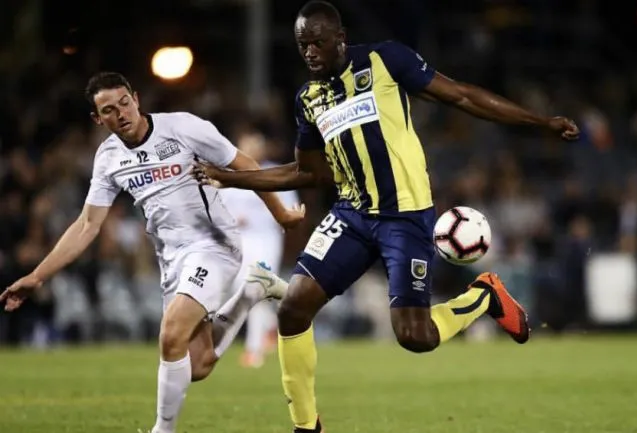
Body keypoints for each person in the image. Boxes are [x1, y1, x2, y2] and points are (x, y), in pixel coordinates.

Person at [195, 2, 579, 432]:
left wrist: (539, 122)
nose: (310, 53)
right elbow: (310, 173)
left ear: (340, 37)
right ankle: (306, 426)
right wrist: (228, 178)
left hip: (405, 217)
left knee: (415, 337)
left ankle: (483, 296)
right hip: (352, 215)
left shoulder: (386, 59)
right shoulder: (309, 99)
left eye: (318, 42)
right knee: (293, 309)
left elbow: (462, 95)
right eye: (303, 45)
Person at [0, 72, 305, 433]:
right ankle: (253, 290)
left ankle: (162, 430)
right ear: (98, 119)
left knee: (171, 333)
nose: (121, 114)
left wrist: (282, 214)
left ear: (137, 98)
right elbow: (87, 225)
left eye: (124, 103)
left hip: (213, 246)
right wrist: (37, 276)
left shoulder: (184, 128)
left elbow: (247, 166)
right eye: (109, 110)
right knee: (197, 365)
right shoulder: (109, 158)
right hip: (172, 260)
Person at [219, 130, 300, 367]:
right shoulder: (228, 177)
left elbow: (289, 210)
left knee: (255, 289)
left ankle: (253, 350)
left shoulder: (274, 173)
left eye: (256, 145)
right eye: (247, 145)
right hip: (238, 240)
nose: (252, 150)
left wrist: (266, 218)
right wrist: (235, 219)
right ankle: (272, 327)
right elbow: (217, 211)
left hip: (266, 239)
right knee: (243, 290)